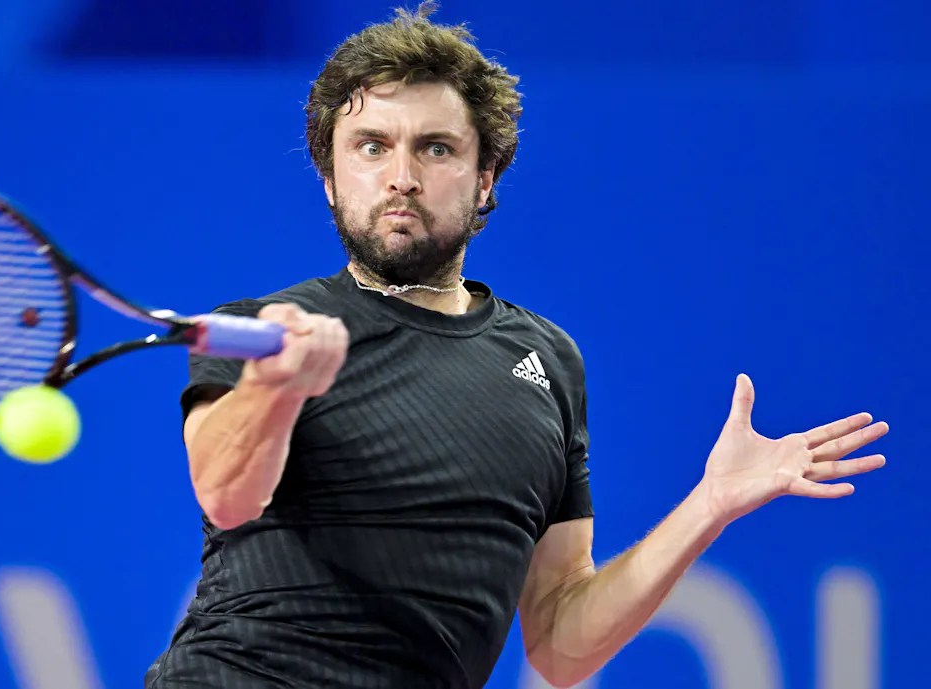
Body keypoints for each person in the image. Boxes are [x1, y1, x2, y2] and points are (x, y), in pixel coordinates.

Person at [144, 4, 889, 688]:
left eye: (436, 149)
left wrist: (710, 504)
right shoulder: (264, 328)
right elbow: (227, 495)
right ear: (331, 178)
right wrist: (276, 386)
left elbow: (561, 643)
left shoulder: (548, 361)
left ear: (484, 180)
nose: (401, 178)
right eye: (372, 147)